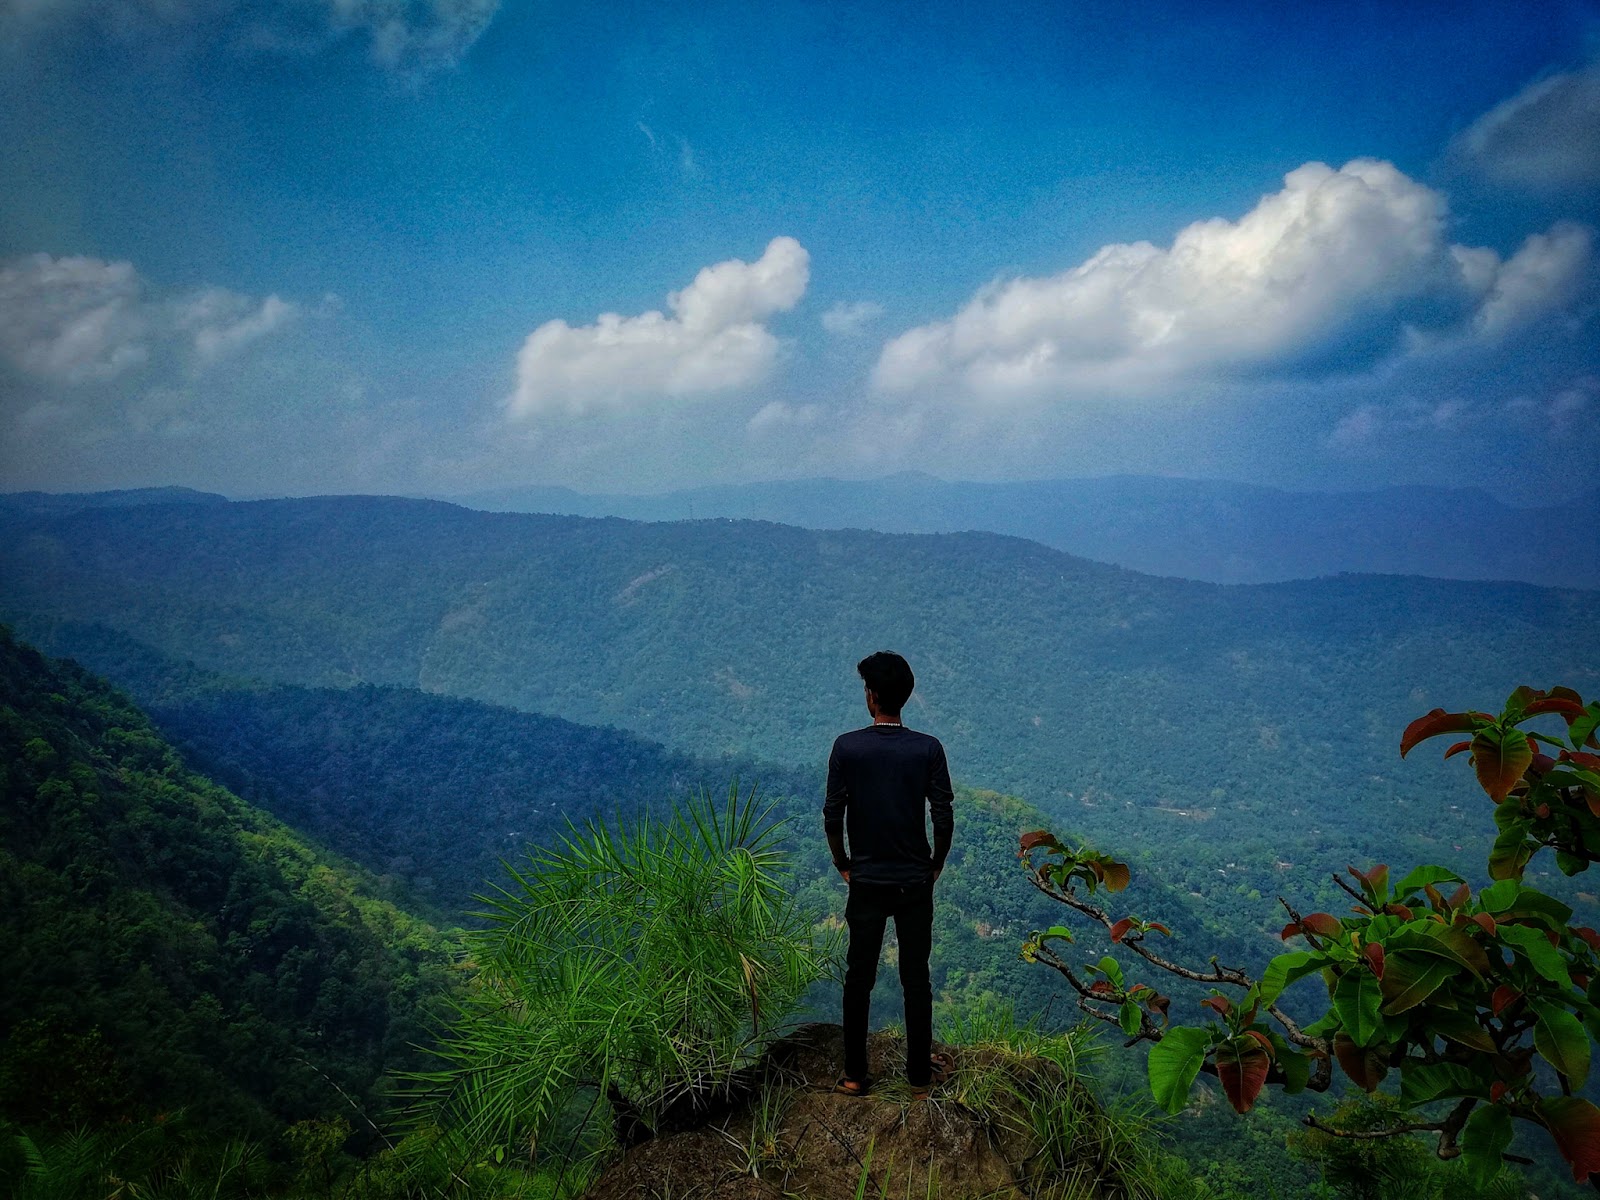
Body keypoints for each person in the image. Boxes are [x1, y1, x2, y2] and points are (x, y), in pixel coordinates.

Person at [823, 650, 955, 1099]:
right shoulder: (928, 749)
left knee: (858, 977)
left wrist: (844, 862)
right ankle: (919, 1080)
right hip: (915, 881)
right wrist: (936, 861)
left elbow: (832, 813)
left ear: (872, 697)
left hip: (866, 881)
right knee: (915, 977)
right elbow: (942, 814)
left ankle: (855, 1076)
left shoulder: (847, 748)